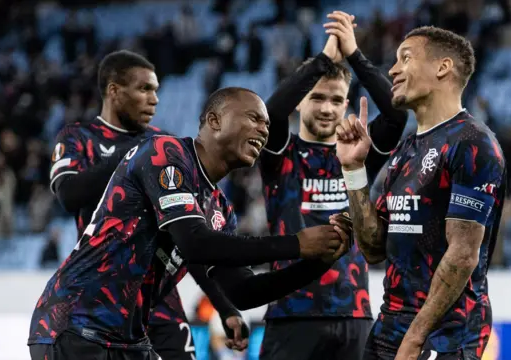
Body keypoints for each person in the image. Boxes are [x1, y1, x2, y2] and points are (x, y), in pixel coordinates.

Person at [29, 86, 352, 360]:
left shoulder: (220, 209)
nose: (264, 130)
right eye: (254, 118)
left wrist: (318, 261)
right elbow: (194, 242)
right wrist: (296, 244)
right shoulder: (165, 152)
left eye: (266, 124)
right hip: (75, 324)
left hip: (129, 339)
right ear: (214, 120)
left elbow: (242, 291)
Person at [48, 50, 249, 360]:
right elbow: (69, 196)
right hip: (105, 299)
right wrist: (133, 156)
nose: (155, 98)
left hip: (161, 302)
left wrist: (225, 307)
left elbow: (188, 235)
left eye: (156, 89)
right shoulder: (79, 138)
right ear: (114, 91)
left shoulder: (165, 146)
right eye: (145, 89)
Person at [334, 26, 507, 360]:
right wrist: (354, 171)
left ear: (442, 68)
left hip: (444, 335)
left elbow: (462, 254)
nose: (393, 70)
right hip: (391, 324)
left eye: (406, 58)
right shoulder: (407, 149)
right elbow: (372, 248)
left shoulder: (472, 143)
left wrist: (414, 340)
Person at [257, 11, 407, 360]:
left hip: (353, 314)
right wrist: (324, 60)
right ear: (300, 101)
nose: (328, 108)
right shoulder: (281, 152)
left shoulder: (359, 154)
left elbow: (397, 115)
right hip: (291, 315)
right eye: (318, 97)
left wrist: (356, 55)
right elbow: (271, 113)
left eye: (337, 100)